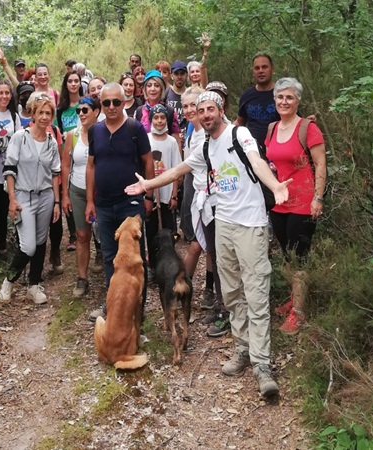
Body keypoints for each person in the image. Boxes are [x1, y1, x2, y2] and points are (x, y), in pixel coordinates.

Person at [124, 91, 292, 398]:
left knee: (255, 291)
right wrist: (149, 185)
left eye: (210, 109)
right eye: (200, 110)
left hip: (250, 224)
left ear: (221, 109)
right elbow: (178, 171)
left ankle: (262, 364)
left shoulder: (239, 135)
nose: (205, 114)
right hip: (223, 224)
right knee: (231, 292)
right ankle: (242, 350)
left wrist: (275, 185)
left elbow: (257, 162)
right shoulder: (204, 145)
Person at [85, 83, 154, 322]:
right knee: (109, 257)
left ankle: (137, 311)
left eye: (116, 102)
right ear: (101, 105)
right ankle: (112, 306)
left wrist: (149, 196)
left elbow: (148, 163)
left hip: (131, 204)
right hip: (103, 204)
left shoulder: (135, 129)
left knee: (134, 257)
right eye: (106, 103)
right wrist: (89, 202)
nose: (112, 107)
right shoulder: (95, 131)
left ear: (124, 102)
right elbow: (91, 165)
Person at [266, 78, 327, 335]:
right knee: (287, 253)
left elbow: (321, 165)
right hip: (279, 203)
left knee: (299, 255)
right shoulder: (271, 128)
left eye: (289, 97)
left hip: (303, 203)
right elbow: (272, 161)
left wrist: (318, 198)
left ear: (298, 101)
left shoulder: (308, 128)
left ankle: (298, 313)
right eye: (280, 97)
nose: (284, 101)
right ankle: (295, 297)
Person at [0, 93, 62, 305]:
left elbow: (55, 172)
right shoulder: (20, 137)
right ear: (32, 114)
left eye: (48, 113)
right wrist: (12, 199)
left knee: (41, 242)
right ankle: (9, 280)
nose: (44, 117)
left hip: (45, 196)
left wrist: (56, 202)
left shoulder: (51, 142)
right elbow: (9, 168)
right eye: (41, 112)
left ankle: (34, 285)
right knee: (28, 246)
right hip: (23, 195)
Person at [178, 87, 227, 337]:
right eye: (187, 107)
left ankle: (226, 310)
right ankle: (220, 307)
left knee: (220, 255)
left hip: (221, 203)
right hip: (202, 200)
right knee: (212, 252)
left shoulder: (222, 135)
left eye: (193, 106)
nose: (190, 111)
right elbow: (185, 169)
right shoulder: (194, 133)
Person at [61, 97, 101, 298]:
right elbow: (66, 165)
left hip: (100, 191)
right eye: (78, 111)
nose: (81, 114)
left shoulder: (103, 133)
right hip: (77, 190)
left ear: (96, 112)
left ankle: (107, 268)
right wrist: (65, 195)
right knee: (82, 235)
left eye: (85, 110)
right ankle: (82, 278)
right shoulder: (72, 135)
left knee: (103, 234)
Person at [0, 80, 21, 262]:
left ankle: (2, 247)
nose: (4, 96)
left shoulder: (13, 115)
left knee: (2, 212)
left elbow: (19, 141)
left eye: (7, 93)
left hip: (7, 173)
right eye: (1, 93)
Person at [144, 104, 181, 281]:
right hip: (151, 193)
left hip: (166, 194)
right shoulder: (146, 139)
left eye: (162, 117)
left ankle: (170, 264)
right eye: (156, 117)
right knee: (151, 232)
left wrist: (174, 194)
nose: (159, 121)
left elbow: (176, 169)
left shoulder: (172, 142)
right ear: (151, 119)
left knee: (168, 230)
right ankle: (153, 266)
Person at [57, 71, 84, 253]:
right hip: (67, 152)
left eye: (76, 81)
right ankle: (73, 233)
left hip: (84, 150)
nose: (73, 84)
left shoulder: (85, 103)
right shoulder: (61, 109)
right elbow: (58, 133)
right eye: (70, 81)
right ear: (66, 84)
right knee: (67, 189)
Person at [234, 52, 279, 146]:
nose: (261, 71)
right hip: (252, 149)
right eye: (257, 68)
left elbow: (294, 121)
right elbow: (239, 122)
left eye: (264, 67)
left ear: (272, 69)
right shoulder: (247, 96)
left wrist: (307, 123)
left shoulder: (282, 94)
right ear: (253, 72)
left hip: (278, 149)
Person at [135, 70, 181, 149]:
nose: (152, 89)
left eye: (156, 85)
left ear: (161, 89)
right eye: (149, 85)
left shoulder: (170, 111)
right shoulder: (139, 112)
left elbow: (176, 141)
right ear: (145, 89)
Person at [166, 60, 188, 130]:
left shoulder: (190, 94)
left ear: (186, 75)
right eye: (176, 74)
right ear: (171, 75)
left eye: (182, 73)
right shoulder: (165, 94)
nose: (179, 77)